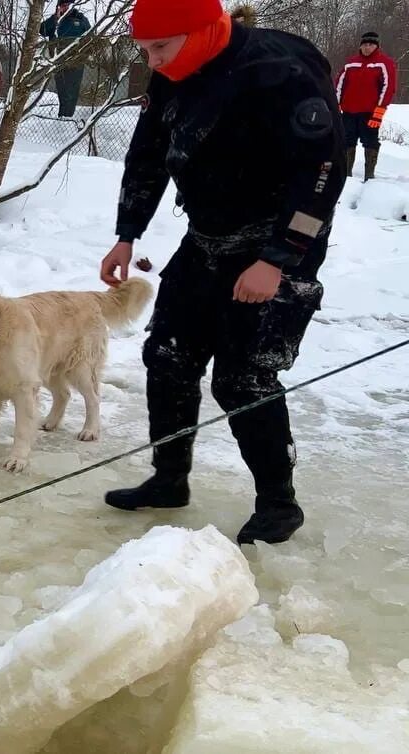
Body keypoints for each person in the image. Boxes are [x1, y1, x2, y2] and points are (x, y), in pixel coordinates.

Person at [98, 0, 346, 545]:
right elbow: (148, 152)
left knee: (243, 377)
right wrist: (127, 233)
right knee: (166, 356)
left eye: (160, 47)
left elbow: (324, 170)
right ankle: (169, 479)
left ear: (204, 30)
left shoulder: (277, 72)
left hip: (281, 236)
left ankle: (279, 505)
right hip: (209, 233)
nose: (153, 60)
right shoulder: (173, 71)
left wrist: (277, 259)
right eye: (144, 50)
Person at [336, 31, 398, 182]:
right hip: (348, 111)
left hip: (370, 112)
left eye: (370, 44)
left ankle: (369, 176)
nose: (367, 47)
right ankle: (346, 175)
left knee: (370, 142)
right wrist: (336, 105)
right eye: (364, 44)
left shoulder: (385, 63)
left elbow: (388, 87)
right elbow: (339, 84)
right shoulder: (351, 62)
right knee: (347, 141)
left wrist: (379, 111)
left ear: (376, 46)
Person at [40, 0, 92, 118]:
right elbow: (41, 30)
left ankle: (68, 118)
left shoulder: (80, 19)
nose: (65, 7)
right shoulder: (56, 21)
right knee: (62, 93)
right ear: (58, 7)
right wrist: (54, 18)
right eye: (63, 5)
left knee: (72, 93)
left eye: (67, 5)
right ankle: (62, 118)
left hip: (76, 63)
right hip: (59, 62)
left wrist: (83, 56)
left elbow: (90, 39)